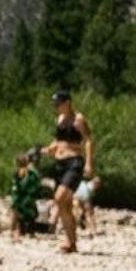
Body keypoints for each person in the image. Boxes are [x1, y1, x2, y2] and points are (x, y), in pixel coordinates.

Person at [41, 89, 94, 253]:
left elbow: (88, 141)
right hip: (59, 164)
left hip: (74, 162)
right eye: (55, 104)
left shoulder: (78, 119)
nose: (56, 107)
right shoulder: (60, 119)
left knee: (59, 197)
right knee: (64, 205)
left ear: (67, 103)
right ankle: (71, 242)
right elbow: (59, 141)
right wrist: (49, 149)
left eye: (58, 104)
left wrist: (89, 163)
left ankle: (70, 240)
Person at [9, 152, 41, 239]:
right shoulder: (32, 172)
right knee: (31, 215)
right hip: (30, 196)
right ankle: (31, 232)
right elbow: (37, 184)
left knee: (21, 216)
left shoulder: (17, 173)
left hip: (21, 197)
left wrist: (14, 199)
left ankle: (21, 232)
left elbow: (15, 187)